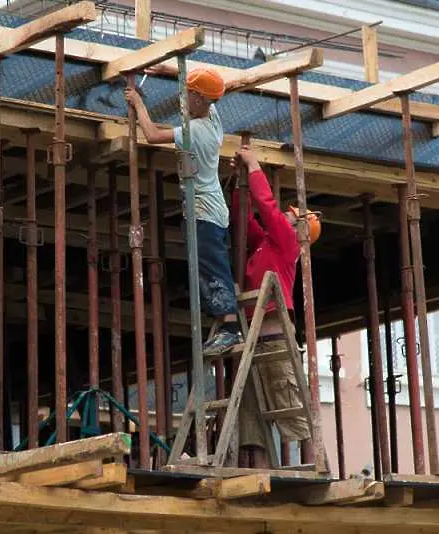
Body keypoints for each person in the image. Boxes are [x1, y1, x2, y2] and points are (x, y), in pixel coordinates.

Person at [125, 67, 241, 356]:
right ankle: (224, 323)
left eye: (188, 95)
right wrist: (166, 69)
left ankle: (230, 329)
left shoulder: (197, 131)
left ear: (201, 100)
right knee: (206, 266)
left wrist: (138, 103)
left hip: (205, 211)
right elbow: (196, 81)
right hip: (208, 209)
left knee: (213, 268)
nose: (182, 99)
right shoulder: (212, 117)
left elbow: (151, 135)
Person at [227, 145, 321, 468]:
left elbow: (266, 207)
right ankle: (263, 470)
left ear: (298, 228)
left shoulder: (289, 243)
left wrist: (254, 166)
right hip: (256, 341)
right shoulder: (265, 244)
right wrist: (241, 178)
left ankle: (312, 466)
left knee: (291, 406)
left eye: (291, 216)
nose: (284, 214)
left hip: (276, 340)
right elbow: (244, 218)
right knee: (257, 408)